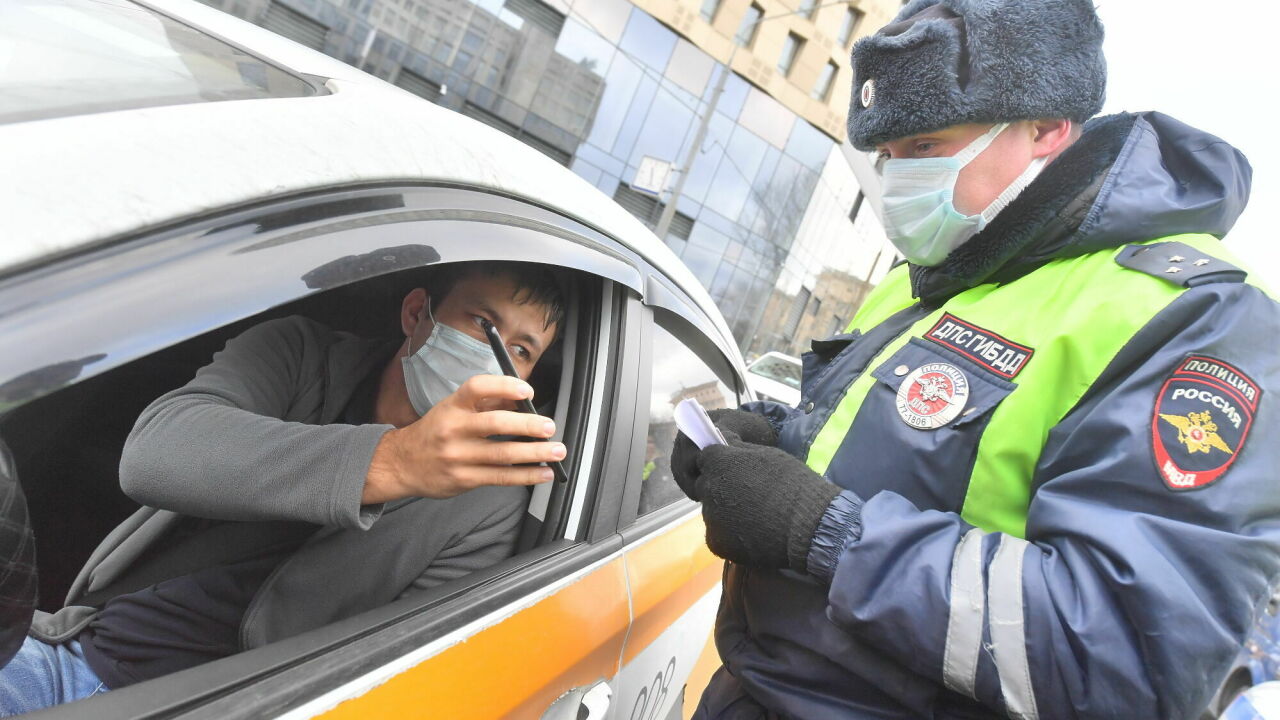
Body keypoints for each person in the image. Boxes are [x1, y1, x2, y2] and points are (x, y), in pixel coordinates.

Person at [672, 1, 1280, 718]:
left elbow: (1130, 661)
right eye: (886, 156)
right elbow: (894, 450)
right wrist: (770, 439)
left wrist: (827, 534)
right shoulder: (933, 273)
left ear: (1047, 128)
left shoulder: (1191, 316)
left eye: (925, 147)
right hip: (753, 690)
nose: (897, 182)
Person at [0, 260, 566, 714]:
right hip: (76, 659)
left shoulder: (489, 503)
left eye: (521, 351)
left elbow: (396, 671)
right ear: (417, 313)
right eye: (482, 324)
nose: (497, 356)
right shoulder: (297, 354)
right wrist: (389, 462)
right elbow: (153, 453)